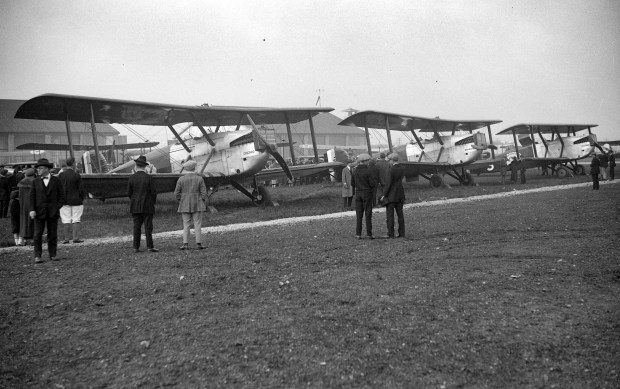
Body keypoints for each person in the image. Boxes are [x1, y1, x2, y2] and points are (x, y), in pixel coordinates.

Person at [29, 159, 65, 263]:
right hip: (39, 212)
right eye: (38, 169)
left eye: (40, 168)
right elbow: (32, 197)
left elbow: (62, 196)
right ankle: (37, 256)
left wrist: (56, 207)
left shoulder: (56, 180)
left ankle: (53, 254)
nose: (38, 170)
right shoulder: (35, 182)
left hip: (52, 212)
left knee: (52, 234)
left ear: (46, 169)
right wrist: (32, 209)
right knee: (37, 234)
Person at [128, 155, 159, 253]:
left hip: (135, 205)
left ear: (136, 166)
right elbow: (154, 192)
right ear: (145, 166)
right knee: (148, 227)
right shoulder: (149, 178)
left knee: (136, 227)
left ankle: (135, 247)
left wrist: (134, 200)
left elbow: (129, 193)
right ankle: (150, 246)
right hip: (147, 205)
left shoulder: (131, 178)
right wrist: (152, 203)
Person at [174, 160, 207, 250]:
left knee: (186, 224)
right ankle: (198, 243)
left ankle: (185, 244)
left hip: (184, 203)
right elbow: (204, 193)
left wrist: (181, 200)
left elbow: (176, 193)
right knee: (197, 224)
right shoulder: (199, 178)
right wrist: (202, 200)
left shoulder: (181, 179)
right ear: (194, 168)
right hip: (197, 203)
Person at [58, 157, 86, 244]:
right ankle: (75, 237)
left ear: (66, 164)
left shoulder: (61, 175)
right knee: (76, 219)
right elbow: (81, 189)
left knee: (66, 220)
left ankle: (66, 239)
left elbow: (59, 188)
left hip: (64, 201)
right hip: (76, 200)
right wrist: (82, 197)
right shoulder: (77, 175)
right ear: (73, 164)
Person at [381, 153, 406, 239]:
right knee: (400, 215)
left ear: (392, 160)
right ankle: (402, 233)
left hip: (391, 195)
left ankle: (391, 233)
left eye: (389, 160)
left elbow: (388, 184)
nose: (388, 162)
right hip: (400, 193)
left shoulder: (390, 170)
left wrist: (384, 195)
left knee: (390, 216)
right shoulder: (403, 168)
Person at [351, 153, 376, 239]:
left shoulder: (354, 171)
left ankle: (358, 234)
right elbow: (372, 184)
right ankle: (369, 234)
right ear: (365, 161)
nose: (369, 162)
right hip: (367, 193)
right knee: (368, 214)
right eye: (368, 160)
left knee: (359, 215)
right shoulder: (369, 170)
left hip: (358, 193)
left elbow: (352, 183)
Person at [18, 169, 36, 245]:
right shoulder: (35, 182)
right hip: (33, 204)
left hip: (23, 205)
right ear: (33, 175)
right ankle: (32, 239)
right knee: (33, 221)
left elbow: (20, 195)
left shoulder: (21, 183)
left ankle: (24, 240)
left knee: (24, 221)